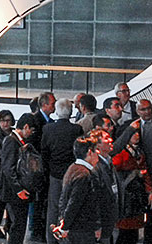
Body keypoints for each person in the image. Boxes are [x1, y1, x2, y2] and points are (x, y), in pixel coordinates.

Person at [41, 98, 83, 244]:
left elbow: (44, 152)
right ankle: (66, 237)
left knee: (53, 208)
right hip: (72, 174)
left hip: (55, 174)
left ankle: (51, 238)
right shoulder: (76, 129)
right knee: (70, 206)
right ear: (71, 112)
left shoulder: (47, 129)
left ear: (57, 111)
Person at [53, 136, 101, 244]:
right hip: (81, 230)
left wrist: (63, 222)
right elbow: (74, 203)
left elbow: (64, 199)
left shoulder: (73, 168)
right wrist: (64, 226)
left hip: (75, 228)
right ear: (89, 152)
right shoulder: (84, 175)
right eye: (96, 149)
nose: (98, 152)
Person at [0, 113, 36, 244]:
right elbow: (8, 168)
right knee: (18, 225)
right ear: (25, 127)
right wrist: (18, 189)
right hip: (14, 192)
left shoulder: (19, 140)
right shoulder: (11, 140)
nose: (31, 133)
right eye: (31, 130)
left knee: (16, 223)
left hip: (17, 191)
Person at [113, 130, 152, 244]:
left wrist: (149, 191)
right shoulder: (121, 153)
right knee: (125, 233)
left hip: (137, 196)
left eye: (137, 133)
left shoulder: (140, 151)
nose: (136, 136)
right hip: (126, 198)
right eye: (133, 134)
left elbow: (146, 174)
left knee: (133, 232)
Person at [30, 92, 56, 242]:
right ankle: (36, 230)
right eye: (52, 103)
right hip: (39, 169)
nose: (53, 106)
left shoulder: (50, 122)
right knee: (38, 201)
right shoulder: (35, 120)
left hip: (46, 168)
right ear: (44, 105)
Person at [89, 128, 118, 244]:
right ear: (97, 147)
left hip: (111, 220)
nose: (111, 140)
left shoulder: (109, 162)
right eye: (106, 139)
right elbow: (94, 198)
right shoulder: (96, 168)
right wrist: (97, 225)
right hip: (102, 222)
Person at [0, 110, 15, 239]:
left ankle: (8, 225)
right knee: (0, 202)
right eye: (3, 121)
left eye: (8, 120)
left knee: (10, 203)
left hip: (10, 171)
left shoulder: (14, 134)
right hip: (0, 172)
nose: (6, 124)